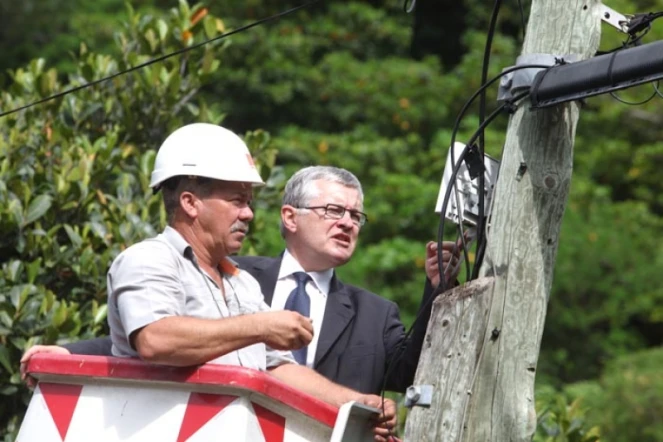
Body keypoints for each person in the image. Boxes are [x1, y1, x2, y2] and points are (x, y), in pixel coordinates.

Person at [22, 123, 396, 440]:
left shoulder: (243, 284)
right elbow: (156, 339)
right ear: (190, 202)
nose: (248, 214)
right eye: (237, 200)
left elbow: (279, 370)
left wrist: (354, 403)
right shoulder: (148, 259)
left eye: (248, 202)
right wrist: (262, 325)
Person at [22, 166, 460, 396]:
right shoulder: (234, 276)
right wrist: (69, 353)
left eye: (355, 216)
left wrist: (437, 290)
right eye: (333, 211)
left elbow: (408, 374)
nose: (347, 223)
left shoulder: (375, 311)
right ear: (290, 216)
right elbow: (154, 335)